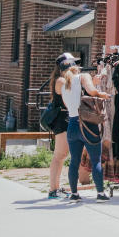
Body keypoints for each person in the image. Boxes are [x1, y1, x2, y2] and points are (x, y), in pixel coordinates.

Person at [56, 52, 112, 201]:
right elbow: (92, 91)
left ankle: (74, 194)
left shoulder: (61, 82)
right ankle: (100, 193)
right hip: (88, 125)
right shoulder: (83, 77)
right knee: (95, 160)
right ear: (76, 66)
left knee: (74, 161)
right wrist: (102, 93)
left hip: (72, 125)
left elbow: (68, 104)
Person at [46, 55, 73, 199]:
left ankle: (56, 187)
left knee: (61, 156)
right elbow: (68, 99)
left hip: (64, 119)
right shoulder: (61, 80)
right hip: (61, 120)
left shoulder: (61, 79)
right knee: (59, 155)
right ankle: (53, 189)